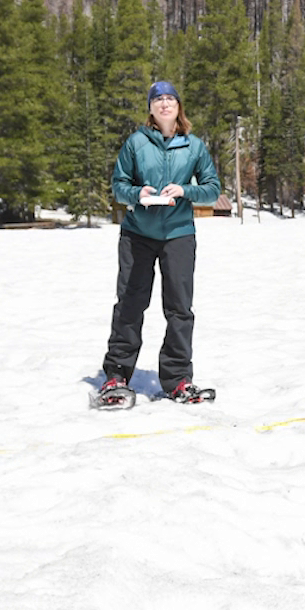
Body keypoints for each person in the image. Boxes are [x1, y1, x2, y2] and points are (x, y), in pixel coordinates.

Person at [95, 80, 222, 407]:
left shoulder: (194, 146)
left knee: (180, 308)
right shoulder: (136, 143)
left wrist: (185, 191)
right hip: (138, 234)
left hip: (179, 234)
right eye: (158, 99)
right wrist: (138, 193)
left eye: (170, 99)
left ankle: (178, 379)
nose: (165, 104)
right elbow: (118, 185)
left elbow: (211, 188)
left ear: (179, 107)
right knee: (130, 304)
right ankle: (117, 375)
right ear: (151, 108)